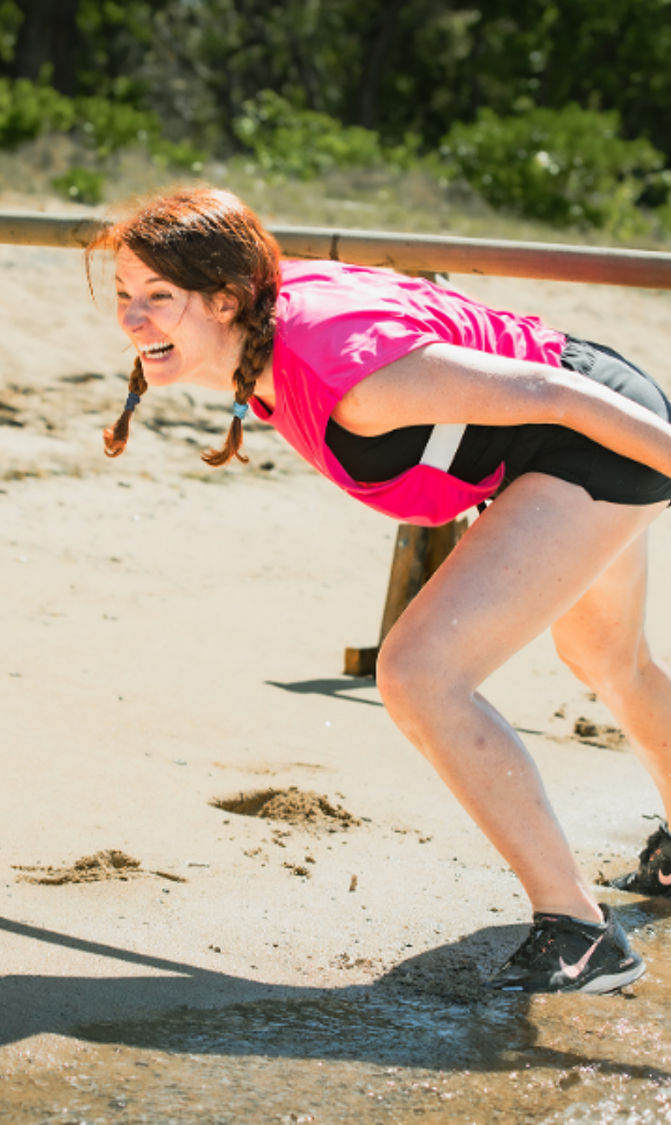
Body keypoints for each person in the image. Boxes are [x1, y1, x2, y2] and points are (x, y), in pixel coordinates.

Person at [93, 185, 671, 995]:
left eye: (159, 296)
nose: (132, 317)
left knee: (419, 673)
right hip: (572, 430)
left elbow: (556, 396)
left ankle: (578, 933)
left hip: (598, 432)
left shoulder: (346, 374)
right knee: (607, 659)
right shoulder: (262, 319)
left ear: (226, 299)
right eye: (125, 292)